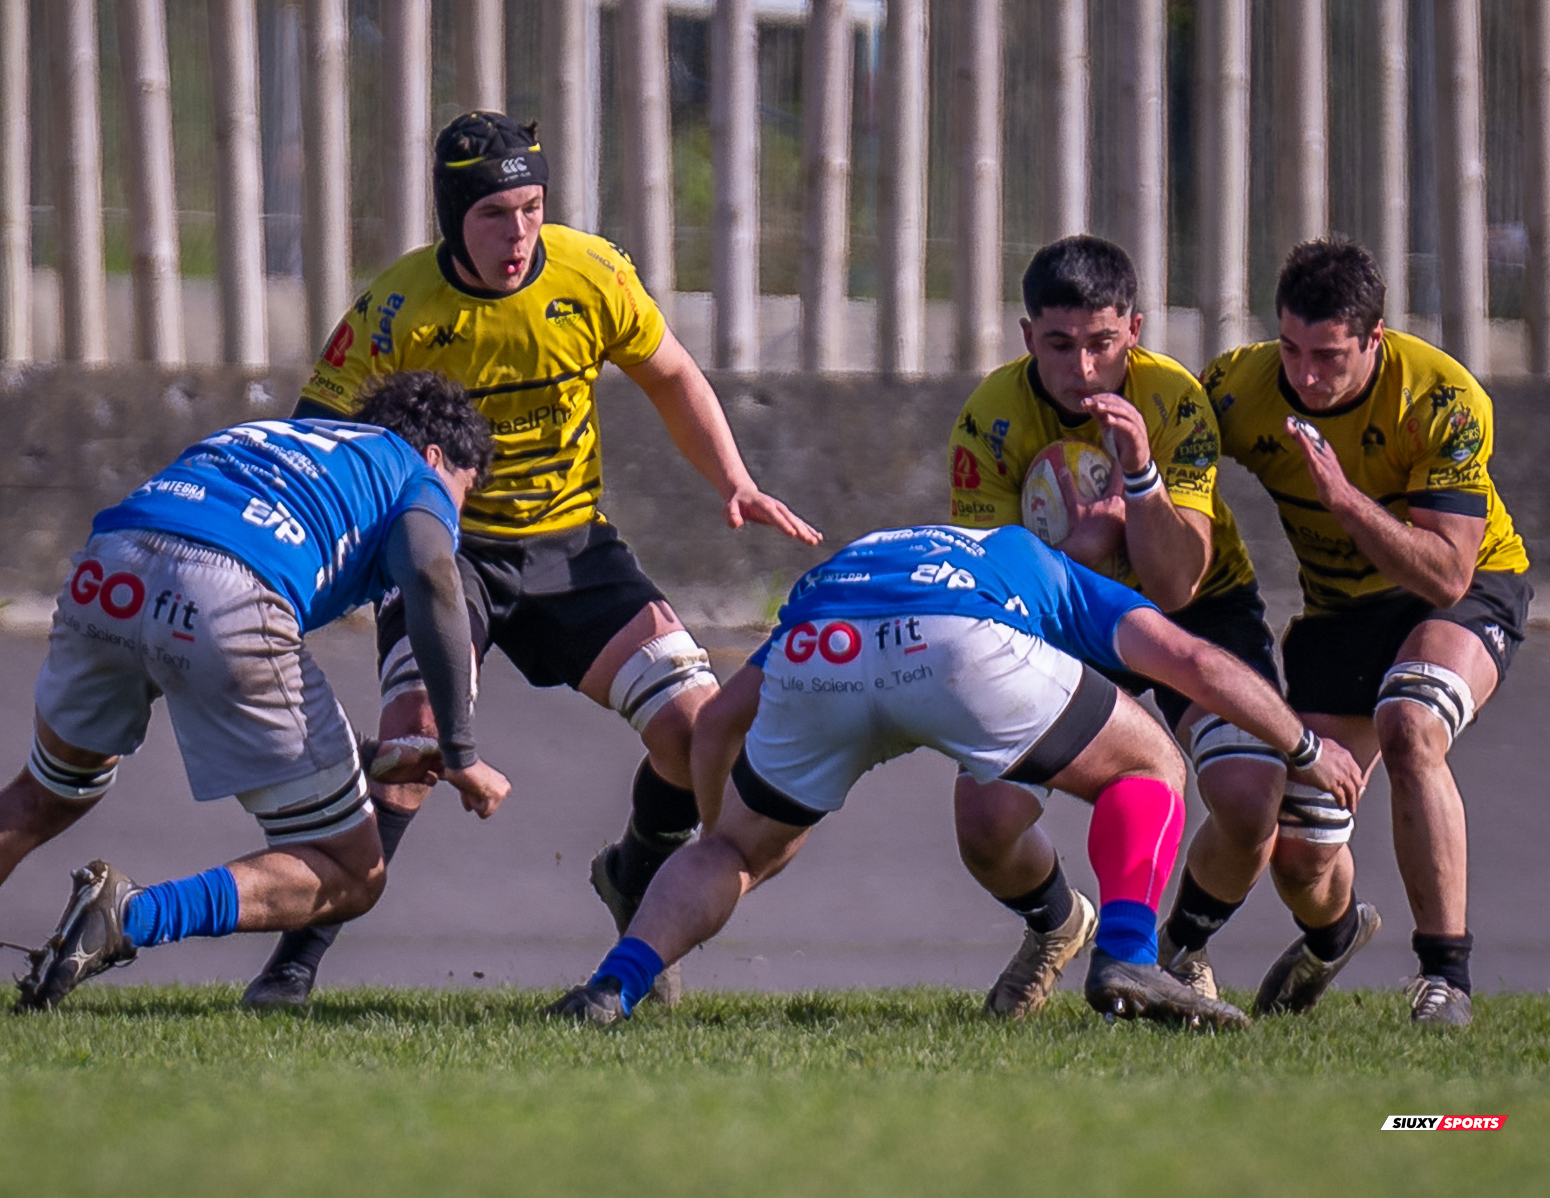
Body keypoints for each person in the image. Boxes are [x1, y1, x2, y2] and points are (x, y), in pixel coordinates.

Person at [245, 109, 819, 1009]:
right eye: (494, 215)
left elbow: (669, 374)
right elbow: (317, 432)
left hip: (573, 547)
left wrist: (734, 478)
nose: (518, 235)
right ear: (451, 217)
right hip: (447, 550)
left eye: (532, 208)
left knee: (695, 727)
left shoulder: (592, 272)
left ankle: (633, 869)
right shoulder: (399, 305)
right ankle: (294, 960)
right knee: (417, 742)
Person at [0, 373, 507, 1011]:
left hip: (109, 571)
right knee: (354, 871)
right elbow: (430, 574)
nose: (458, 519)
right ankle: (130, 915)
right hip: (228, 592)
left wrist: (364, 754)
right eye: (466, 496)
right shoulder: (414, 473)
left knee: (39, 794)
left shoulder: (274, 434)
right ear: (444, 457)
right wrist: (461, 747)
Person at [545, 524, 1364, 1028]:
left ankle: (614, 985)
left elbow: (720, 720)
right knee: (1151, 762)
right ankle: (1125, 952)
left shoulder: (887, 550)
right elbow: (1189, 658)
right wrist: (1300, 747)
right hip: (957, 642)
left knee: (733, 850)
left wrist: (733, 835)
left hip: (820, 643)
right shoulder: (1050, 572)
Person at [946, 235, 1315, 1016]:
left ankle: (1180, 948)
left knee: (1250, 797)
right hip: (1065, 614)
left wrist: (1143, 476)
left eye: (1102, 344)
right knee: (984, 819)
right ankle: (1054, 924)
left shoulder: (1176, 401)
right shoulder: (992, 418)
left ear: (1135, 331)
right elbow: (990, 588)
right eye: (1060, 344)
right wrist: (1076, 553)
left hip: (1194, 604)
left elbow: (1177, 579)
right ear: (1026, 338)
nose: (1083, 369)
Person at [1200, 238, 1532, 1026]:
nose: (1307, 376)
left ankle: (1444, 976)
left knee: (1410, 721)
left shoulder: (1441, 397)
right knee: (1304, 851)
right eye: (1292, 349)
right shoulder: (1240, 387)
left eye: (1329, 356)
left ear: (1374, 340)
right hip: (1340, 610)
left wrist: (1345, 500)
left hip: (1459, 590)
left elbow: (1447, 574)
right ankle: (1332, 935)